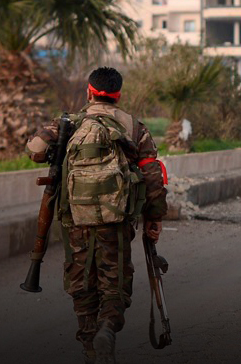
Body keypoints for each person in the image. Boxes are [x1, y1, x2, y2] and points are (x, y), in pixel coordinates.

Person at [26, 67, 168, 364]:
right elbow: (152, 175)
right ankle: (107, 328)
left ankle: (91, 348)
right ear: (118, 95)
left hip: (75, 221)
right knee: (114, 285)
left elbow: (35, 150)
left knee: (81, 284)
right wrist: (154, 218)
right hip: (116, 224)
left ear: (89, 92)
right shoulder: (134, 126)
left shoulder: (70, 123)